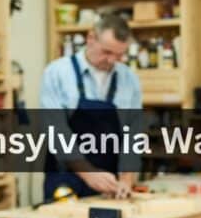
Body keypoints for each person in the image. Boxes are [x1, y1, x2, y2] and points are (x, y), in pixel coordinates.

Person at [40, 13, 141, 200]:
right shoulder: (57, 73)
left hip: (109, 184)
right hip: (66, 178)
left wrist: (127, 179)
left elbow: (132, 136)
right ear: (91, 38)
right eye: (107, 52)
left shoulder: (129, 79)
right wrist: (89, 174)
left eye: (119, 55)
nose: (112, 61)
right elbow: (56, 132)